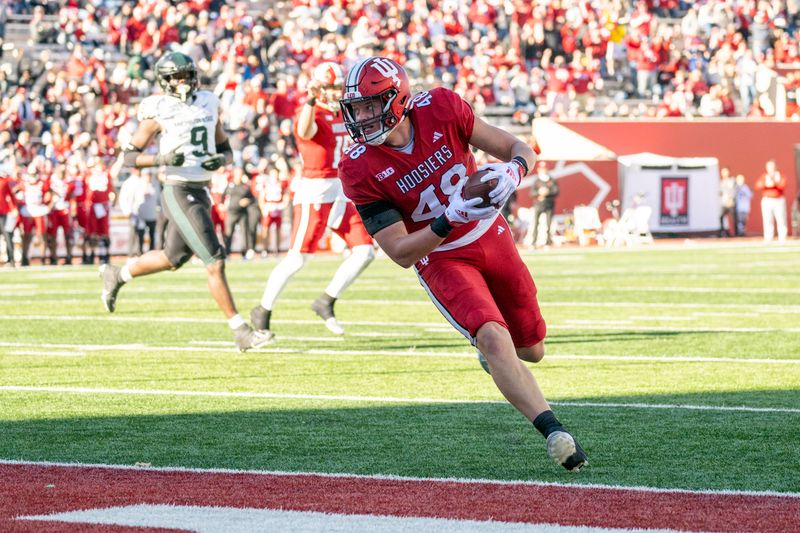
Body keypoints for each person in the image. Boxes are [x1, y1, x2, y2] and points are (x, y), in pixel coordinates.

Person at [338, 56, 587, 472]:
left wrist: (513, 171)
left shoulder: (441, 108)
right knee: (492, 337)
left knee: (532, 350)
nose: (361, 117)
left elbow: (518, 148)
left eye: (369, 106)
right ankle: (555, 431)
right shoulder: (358, 167)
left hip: (492, 234)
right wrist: (448, 218)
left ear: (397, 100)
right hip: (440, 256)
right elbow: (399, 253)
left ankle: (500, 359)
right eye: (356, 108)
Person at [99, 51, 270, 352]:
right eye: (177, 77)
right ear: (165, 81)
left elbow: (226, 150)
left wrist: (220, 160)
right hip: (178, 189)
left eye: (187, 75)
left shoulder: (207, 102)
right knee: (215, 261)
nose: (183, 81)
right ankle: (240, 331)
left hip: (201, 189)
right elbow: (128, 157)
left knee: (172, 257)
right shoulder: (158, 109)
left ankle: (118, 274)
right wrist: (161, 158)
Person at [250, 62, 375, 337]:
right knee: (297, 260)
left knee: (365, 252)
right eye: (328, 87)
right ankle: (262, 310)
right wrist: (310, 99)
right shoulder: (311, 112)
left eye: (336, 87)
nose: (333, 92)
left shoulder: (347, 112)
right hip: (316, 191)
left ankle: (326, 301)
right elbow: (304, 132)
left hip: (342, 190)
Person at [118, 167, 160, 258]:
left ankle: (147, 254)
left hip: (149, 214)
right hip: (137, 213)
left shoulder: (153, 184)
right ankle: (133, 254)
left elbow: (157, 199)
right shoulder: (133, 183)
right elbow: (125, 198)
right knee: (136, 234)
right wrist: (128, 211)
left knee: (148, 235)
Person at [524, 161, 560, 248]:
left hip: (549, 204)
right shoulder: (537, 180)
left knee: (548, 224)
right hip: (538, 205)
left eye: (544, 168)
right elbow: (532, 193)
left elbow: (556, 191)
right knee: (536, 224)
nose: (543, 170)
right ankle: (534, 242)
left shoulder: (551, 180)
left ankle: (547, 243)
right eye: (541, 169)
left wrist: (546, 193)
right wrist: (539, 193)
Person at [754, 159, 788, 243]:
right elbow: (758, 185)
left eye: (772, 166)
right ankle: (768, 238)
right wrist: (766, 183)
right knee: (767, 219)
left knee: (781, 219)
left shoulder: (779, 176)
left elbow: (782, 185)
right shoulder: (765, 177)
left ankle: (782, 238)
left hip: (778, 200)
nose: (771, 168)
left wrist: (774, 183)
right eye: (769, 166)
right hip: (767, 200)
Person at [718, 167, 737, 237]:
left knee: (734, 218)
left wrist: (731, 199)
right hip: (724, 202)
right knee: (721, 217)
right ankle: (723, 232)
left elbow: (734, 191)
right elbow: (720, 192)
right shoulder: (721, 182)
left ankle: (736, 232)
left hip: (731, 202)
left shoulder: (732, 180)